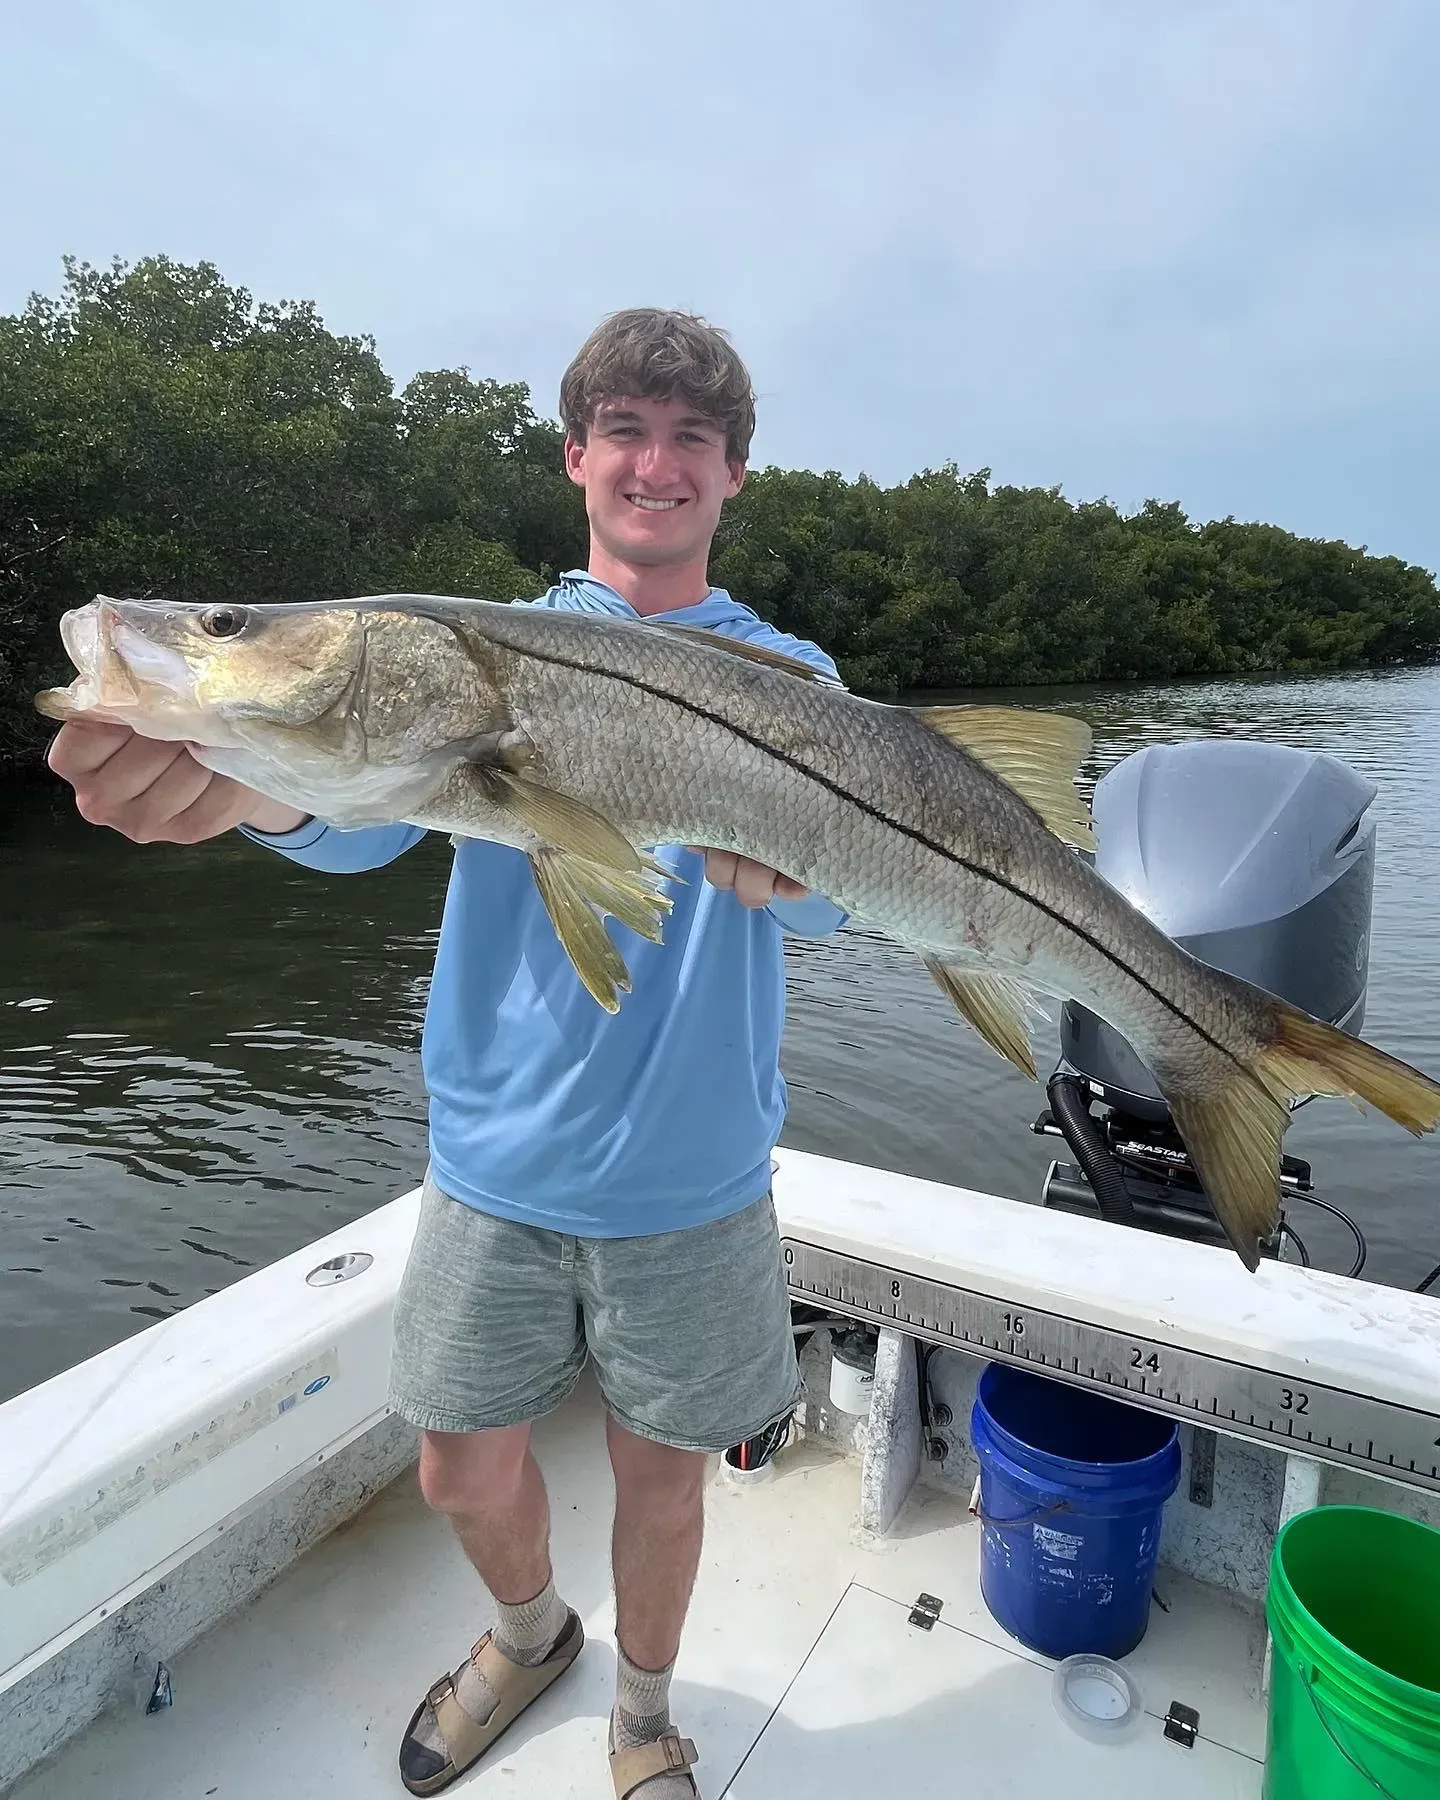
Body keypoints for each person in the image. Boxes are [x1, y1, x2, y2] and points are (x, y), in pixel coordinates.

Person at [47, 308, 846, 1799]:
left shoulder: (794, 681)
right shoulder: (451, 655)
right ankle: (533, 1638)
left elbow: (836, 917)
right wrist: (252, 796)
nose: (655, 463)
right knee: (457, 1468)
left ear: (736, 474)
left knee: (665, 1485)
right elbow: (352, 828)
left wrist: (811, 882)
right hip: (491, 1167)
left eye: (691, 438)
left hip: (696, 1173)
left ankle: (647, 1717)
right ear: (577, 457)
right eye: (625, 429)